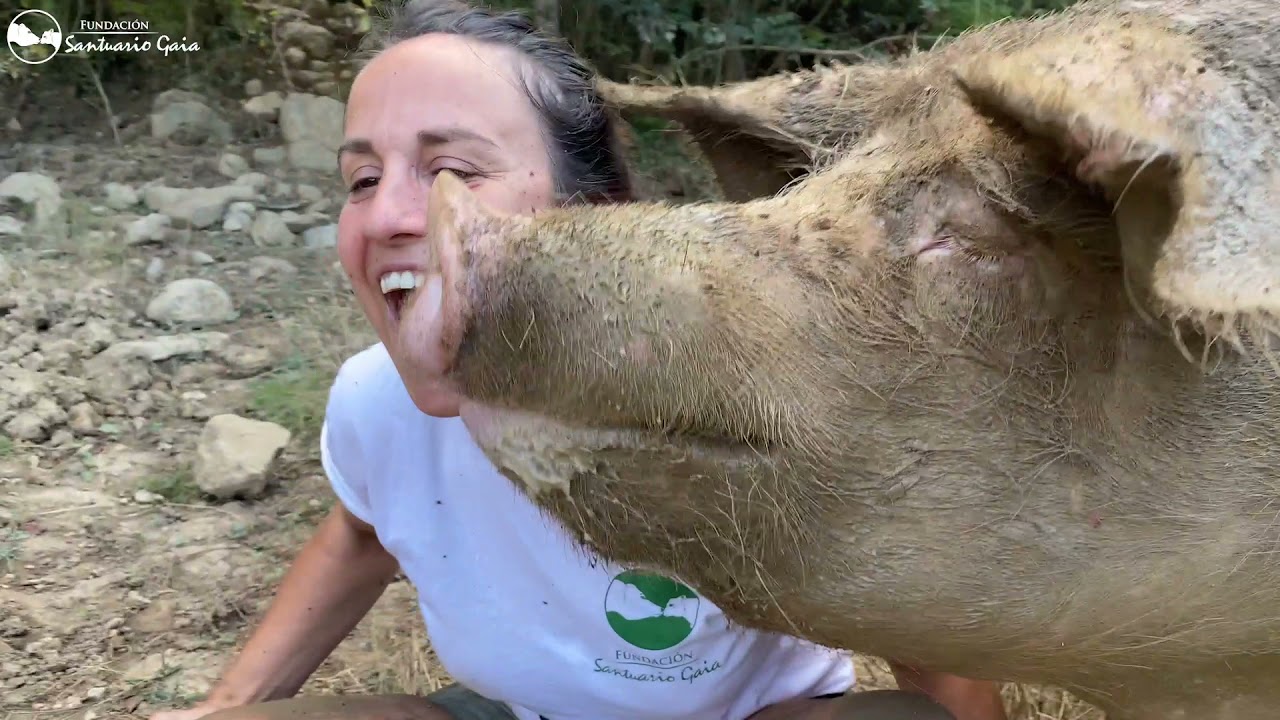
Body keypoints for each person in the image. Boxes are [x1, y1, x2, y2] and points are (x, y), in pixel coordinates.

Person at [152, 2, 1010, 719]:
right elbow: (363, 534)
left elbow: (923, 633)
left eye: (450, 167)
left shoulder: (737, 400)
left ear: (596, 216)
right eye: (362, 179)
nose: (385, 218)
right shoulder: (375, 402)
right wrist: (227, 706)